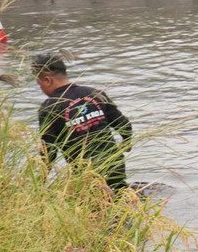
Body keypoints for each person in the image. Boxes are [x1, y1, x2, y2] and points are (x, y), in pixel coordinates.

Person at [33, 51, 133, 191]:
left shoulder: (49, 107)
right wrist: (126, 143)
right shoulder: (94, 93)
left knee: (95, 208)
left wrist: (39, 183)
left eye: (39, 84)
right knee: (120, 200)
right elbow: (124, 124)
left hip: (86, 173)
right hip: (114, 164)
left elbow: (48, 152)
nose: (41, 89)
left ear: (47, 80)